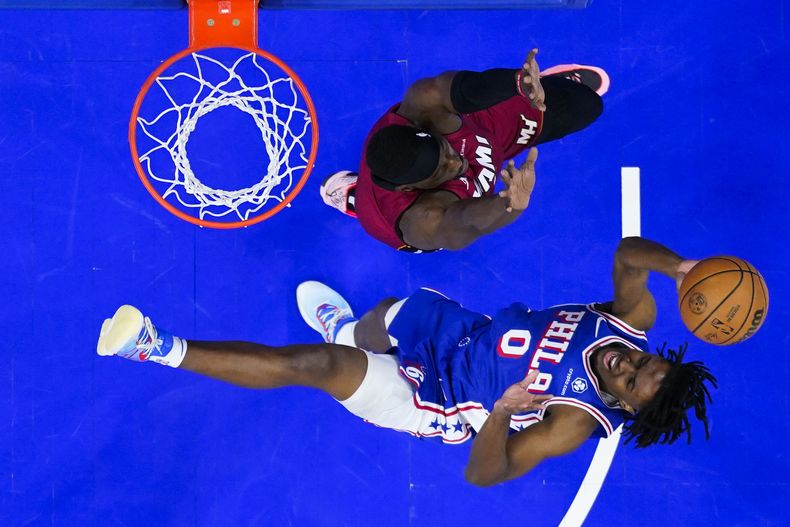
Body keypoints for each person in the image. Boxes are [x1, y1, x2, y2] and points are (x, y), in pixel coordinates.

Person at [96, 237, 716, 486]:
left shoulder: (574, 421)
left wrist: (501, 412)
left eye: (630, 384)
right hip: (463, 336)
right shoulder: (627, 322)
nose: (622, 367)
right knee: (385, 312)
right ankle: (349, 329)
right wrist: (682, 269)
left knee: (315, 366)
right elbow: (630, 255)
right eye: (642, 364)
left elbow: (486, 475)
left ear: (627, 407)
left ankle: (152, 346)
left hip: (446, 402)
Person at [320, 49, 609, 252]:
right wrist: (509, 203)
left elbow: (454, 87)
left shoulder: (422, 107)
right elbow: (466, 223)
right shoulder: (424, 220)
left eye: (444, 150)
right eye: (441, 169)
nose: (456, 162)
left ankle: (542, 87)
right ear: (411, 187)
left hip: (486, 130)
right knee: (376, 213)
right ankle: (359, 196)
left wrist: (517, 83)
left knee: (585, 106)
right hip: (407, 214)